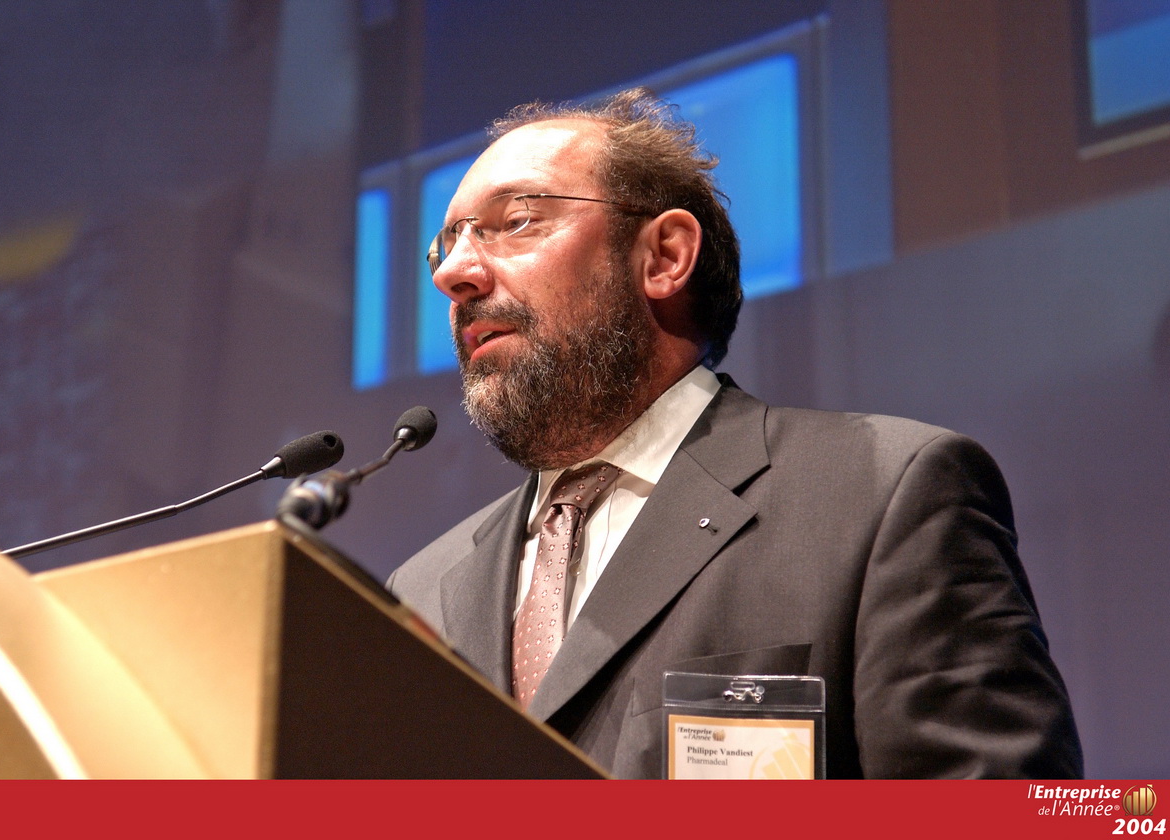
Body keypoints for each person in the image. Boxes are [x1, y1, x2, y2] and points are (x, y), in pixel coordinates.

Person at [386, 88, 1082, 779]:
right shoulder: (421, 589)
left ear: (664, 256)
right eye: (445, 245)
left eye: (518, 220)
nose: (453, 274)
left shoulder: (882, 498)